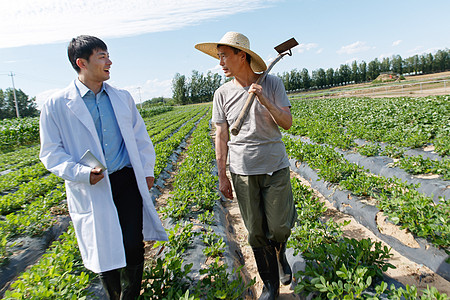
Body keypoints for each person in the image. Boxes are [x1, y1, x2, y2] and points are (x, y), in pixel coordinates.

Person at [39, 35, 168, 300]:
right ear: (81, 63)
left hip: (125, 180)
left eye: (108, 55)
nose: (109, 62)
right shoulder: (56, 105)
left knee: (133, 245)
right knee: (103, 249)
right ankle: (114, 295)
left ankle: (130, 296)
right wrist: (80, 173)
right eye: (102, 57)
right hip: (92, 186)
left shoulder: (122, 97)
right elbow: (50, 152)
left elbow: (140, 137)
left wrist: (147, 171)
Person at [195, 32, 296, 300]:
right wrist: (222, 175)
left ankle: (280, 252)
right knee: (256, 233)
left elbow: (286, 122)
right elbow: (221, 135)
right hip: (242, 171)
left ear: (243, 56)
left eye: (225, 56)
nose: (221, 63)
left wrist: (265, 100)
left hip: (274, 167)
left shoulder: (272, 83)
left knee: (279, 228)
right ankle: (271, 286)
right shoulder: (222, 94)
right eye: (219, 57)